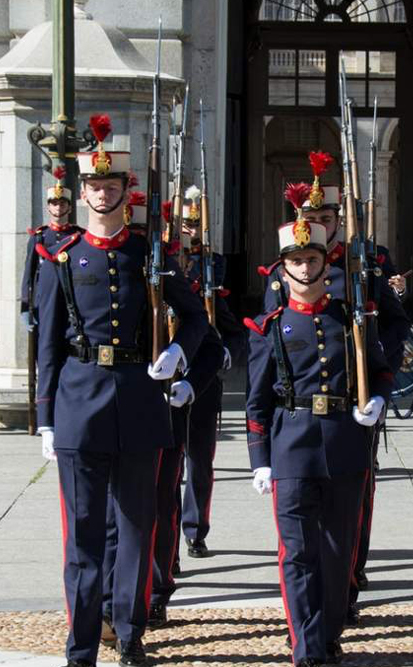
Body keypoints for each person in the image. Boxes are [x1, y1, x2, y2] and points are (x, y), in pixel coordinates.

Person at [35, 114, 221, 667]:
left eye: (110, 186)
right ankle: (82, 645)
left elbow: (197, 320)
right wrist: (44, 416)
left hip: (140, 402)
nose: (100, 194)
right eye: (93, 186)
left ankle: (130, 631)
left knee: (137, 530)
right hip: (79, 404)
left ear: (124, 192)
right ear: (83, 191)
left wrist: (177, 353)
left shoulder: (149, 255)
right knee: (84, 537)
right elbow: (47, 342)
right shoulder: (62, 258)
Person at [245, 185, 394, 667]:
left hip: (345, 444)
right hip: (293, 446)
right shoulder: (270, 328)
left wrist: (380, 402)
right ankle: (306, 647)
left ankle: (328, 635)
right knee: (297, 554)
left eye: (313, 259)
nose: (306, 268)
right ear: (283, 268)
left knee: (337, 553)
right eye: (297, 261)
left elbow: (382, 369)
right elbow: (257, 401)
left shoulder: (352, 319)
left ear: (325, 263)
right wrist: (259, 459)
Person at [260, 151, 411, 621]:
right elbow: (273, 337)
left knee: (354, 502)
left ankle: (348, 579)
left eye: (326, 217)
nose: (319, 223)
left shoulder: (367, 265)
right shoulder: (287, 268)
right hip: (304, 414)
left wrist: (369, 361)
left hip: (354, 399)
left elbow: (395, 321)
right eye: (311, 217)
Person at [147, 187, 247, 628]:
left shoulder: (212, 269)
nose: (186, 235)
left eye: (192, 227)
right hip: (158, 388)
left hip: (201, 382)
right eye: (180, 228)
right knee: (162, 478)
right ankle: (166, 556)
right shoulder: (158, 270)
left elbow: (232, 328)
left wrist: (224, 353)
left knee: (199, 462)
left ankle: (194, 530)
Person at [21, 166, 83, 322]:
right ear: (48, 207)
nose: (58, 207)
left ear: (69, 207)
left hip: (73, 295)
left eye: (62, 204)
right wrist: (25, 307)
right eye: (54, 203)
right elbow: (29, 273)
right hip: (45, 296)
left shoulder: (79, 235)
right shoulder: (39, 237)